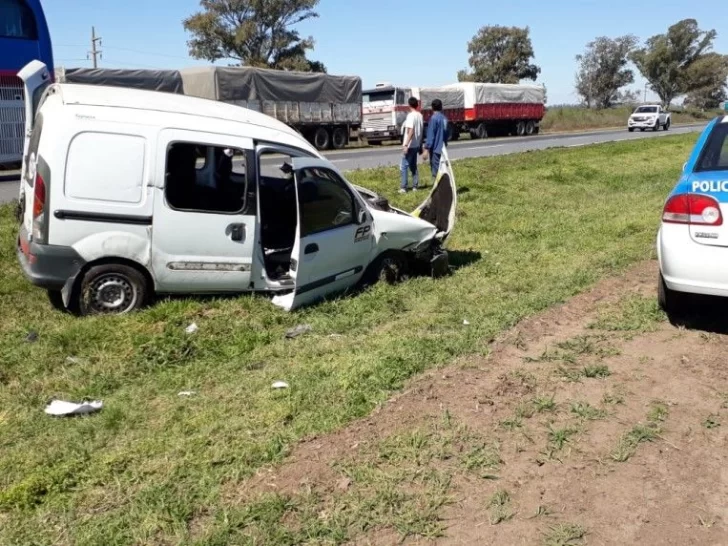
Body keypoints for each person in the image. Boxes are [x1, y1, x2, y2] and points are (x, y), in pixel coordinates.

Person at [399, 97, 424, 193]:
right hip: (417, 144)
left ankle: (403, 187)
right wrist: (420, 144)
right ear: (417, 105)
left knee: (404, 166)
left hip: (410, 145)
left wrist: (405, 144)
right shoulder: (420, 115)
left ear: (409, 105)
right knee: (413, 165)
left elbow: (411, 131)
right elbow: (421, 131)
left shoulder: (410, 116)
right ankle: (415, 186)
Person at [423, 99, 449, 181]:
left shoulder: (433, 119)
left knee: (436, 170)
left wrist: (426, 149)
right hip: (443, 147)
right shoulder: (445, 119)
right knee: (443, 168)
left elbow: (431, 135)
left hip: (435, 148)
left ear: (432, 107)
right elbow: (446, 134)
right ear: (441, 107)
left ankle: (438, 188)